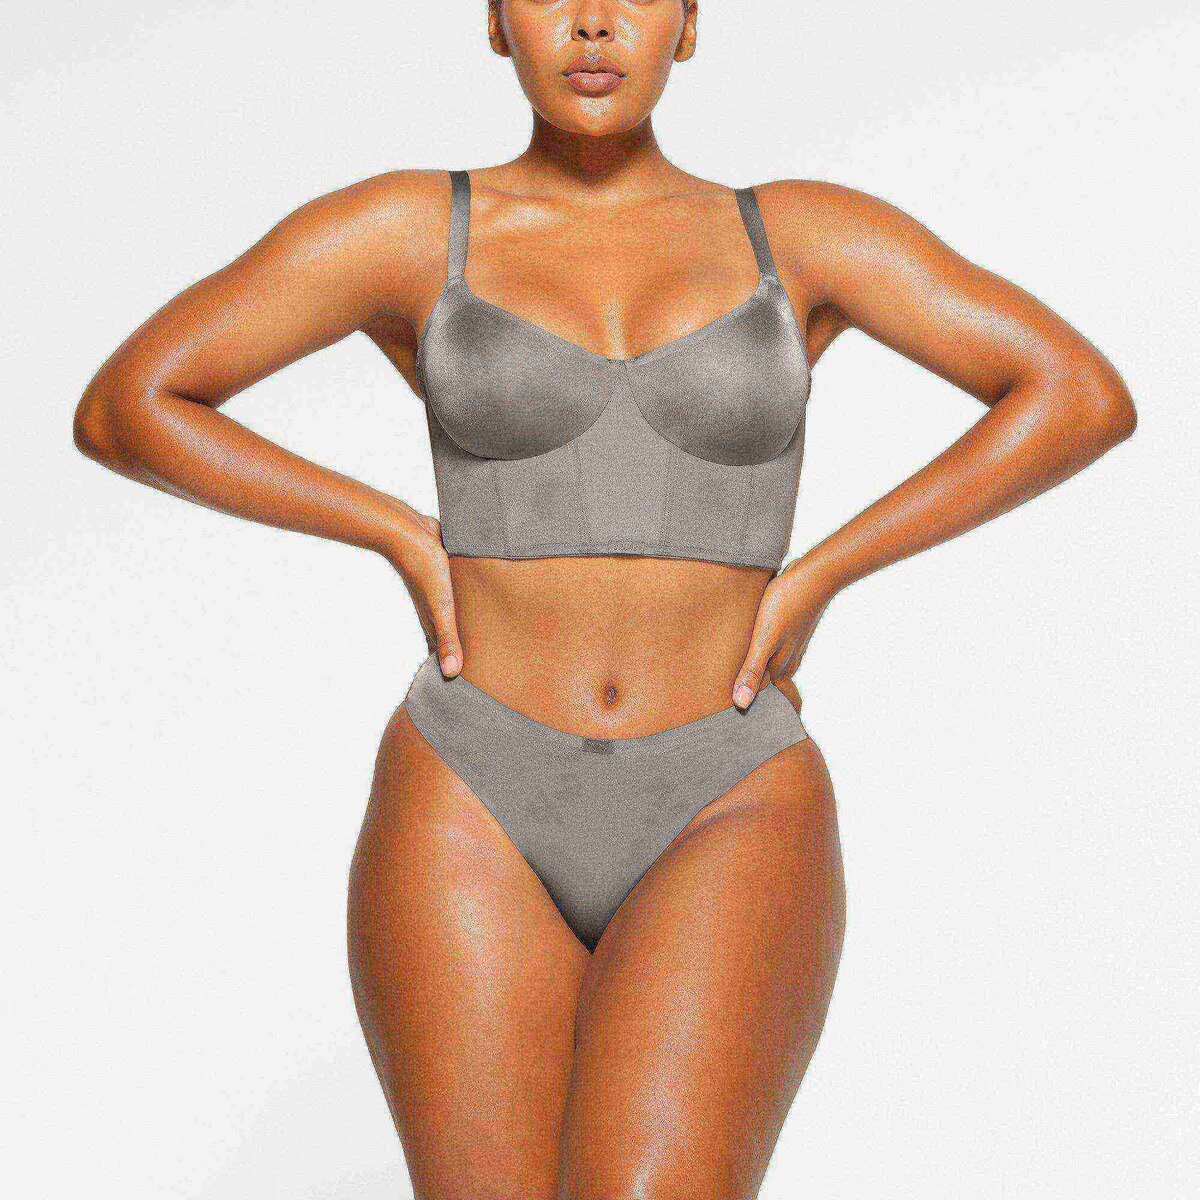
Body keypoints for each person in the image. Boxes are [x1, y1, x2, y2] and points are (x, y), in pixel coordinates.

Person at [72, 2, 1136, 1197]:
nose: (591, 23)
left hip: (728, 789)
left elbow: (1075, 393)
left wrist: (828, 567)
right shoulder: (413, 229)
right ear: (495, 23)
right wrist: (393, 531)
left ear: (688, 24)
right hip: (472, 788)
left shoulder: (798, 235)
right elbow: (130, 407)